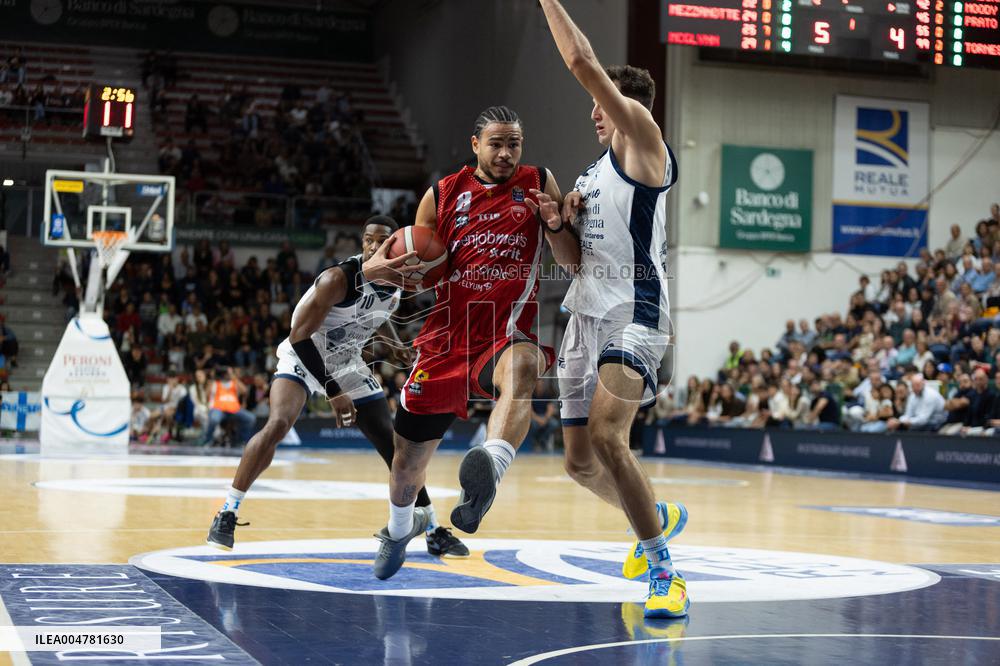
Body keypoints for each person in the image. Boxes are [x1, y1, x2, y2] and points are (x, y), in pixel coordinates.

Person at [372, 106, 578, 580]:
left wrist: (554, 225)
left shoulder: (539, 181)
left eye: (514, 144)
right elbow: (415, 276)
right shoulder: (441, 194)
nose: (505, 153)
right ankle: (400, 528)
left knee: (522, 369)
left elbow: (572, 263)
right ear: (475, 145)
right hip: (445, 339)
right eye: (496, 144)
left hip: (506, 331)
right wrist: (398, 272)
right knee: (406, 465)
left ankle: (490, 468)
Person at [539, 0, 686, 619]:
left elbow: (580, 61)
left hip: (636, 311)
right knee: (578, 463)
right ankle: (656, 515)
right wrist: (556, 225)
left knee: (606, 434)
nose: (593, 111)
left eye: (602, 103)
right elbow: (572, 261)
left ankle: (665, 574)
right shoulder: (592, 175)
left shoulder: (644, 141)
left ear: (628, 107)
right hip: (585, 315)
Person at [207, 216, 469, 558]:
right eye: (369, 239)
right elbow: (299, 337)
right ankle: (227, 511)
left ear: (396, 244)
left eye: (383, 240)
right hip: (305, 355)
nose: (374, 246)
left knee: (398, 450)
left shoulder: (398, 281)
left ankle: (432, 529)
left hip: (346, 362)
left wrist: (393, 344)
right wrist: (334, 391)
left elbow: (379, 314)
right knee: (278, 424)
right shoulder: (338, 279)